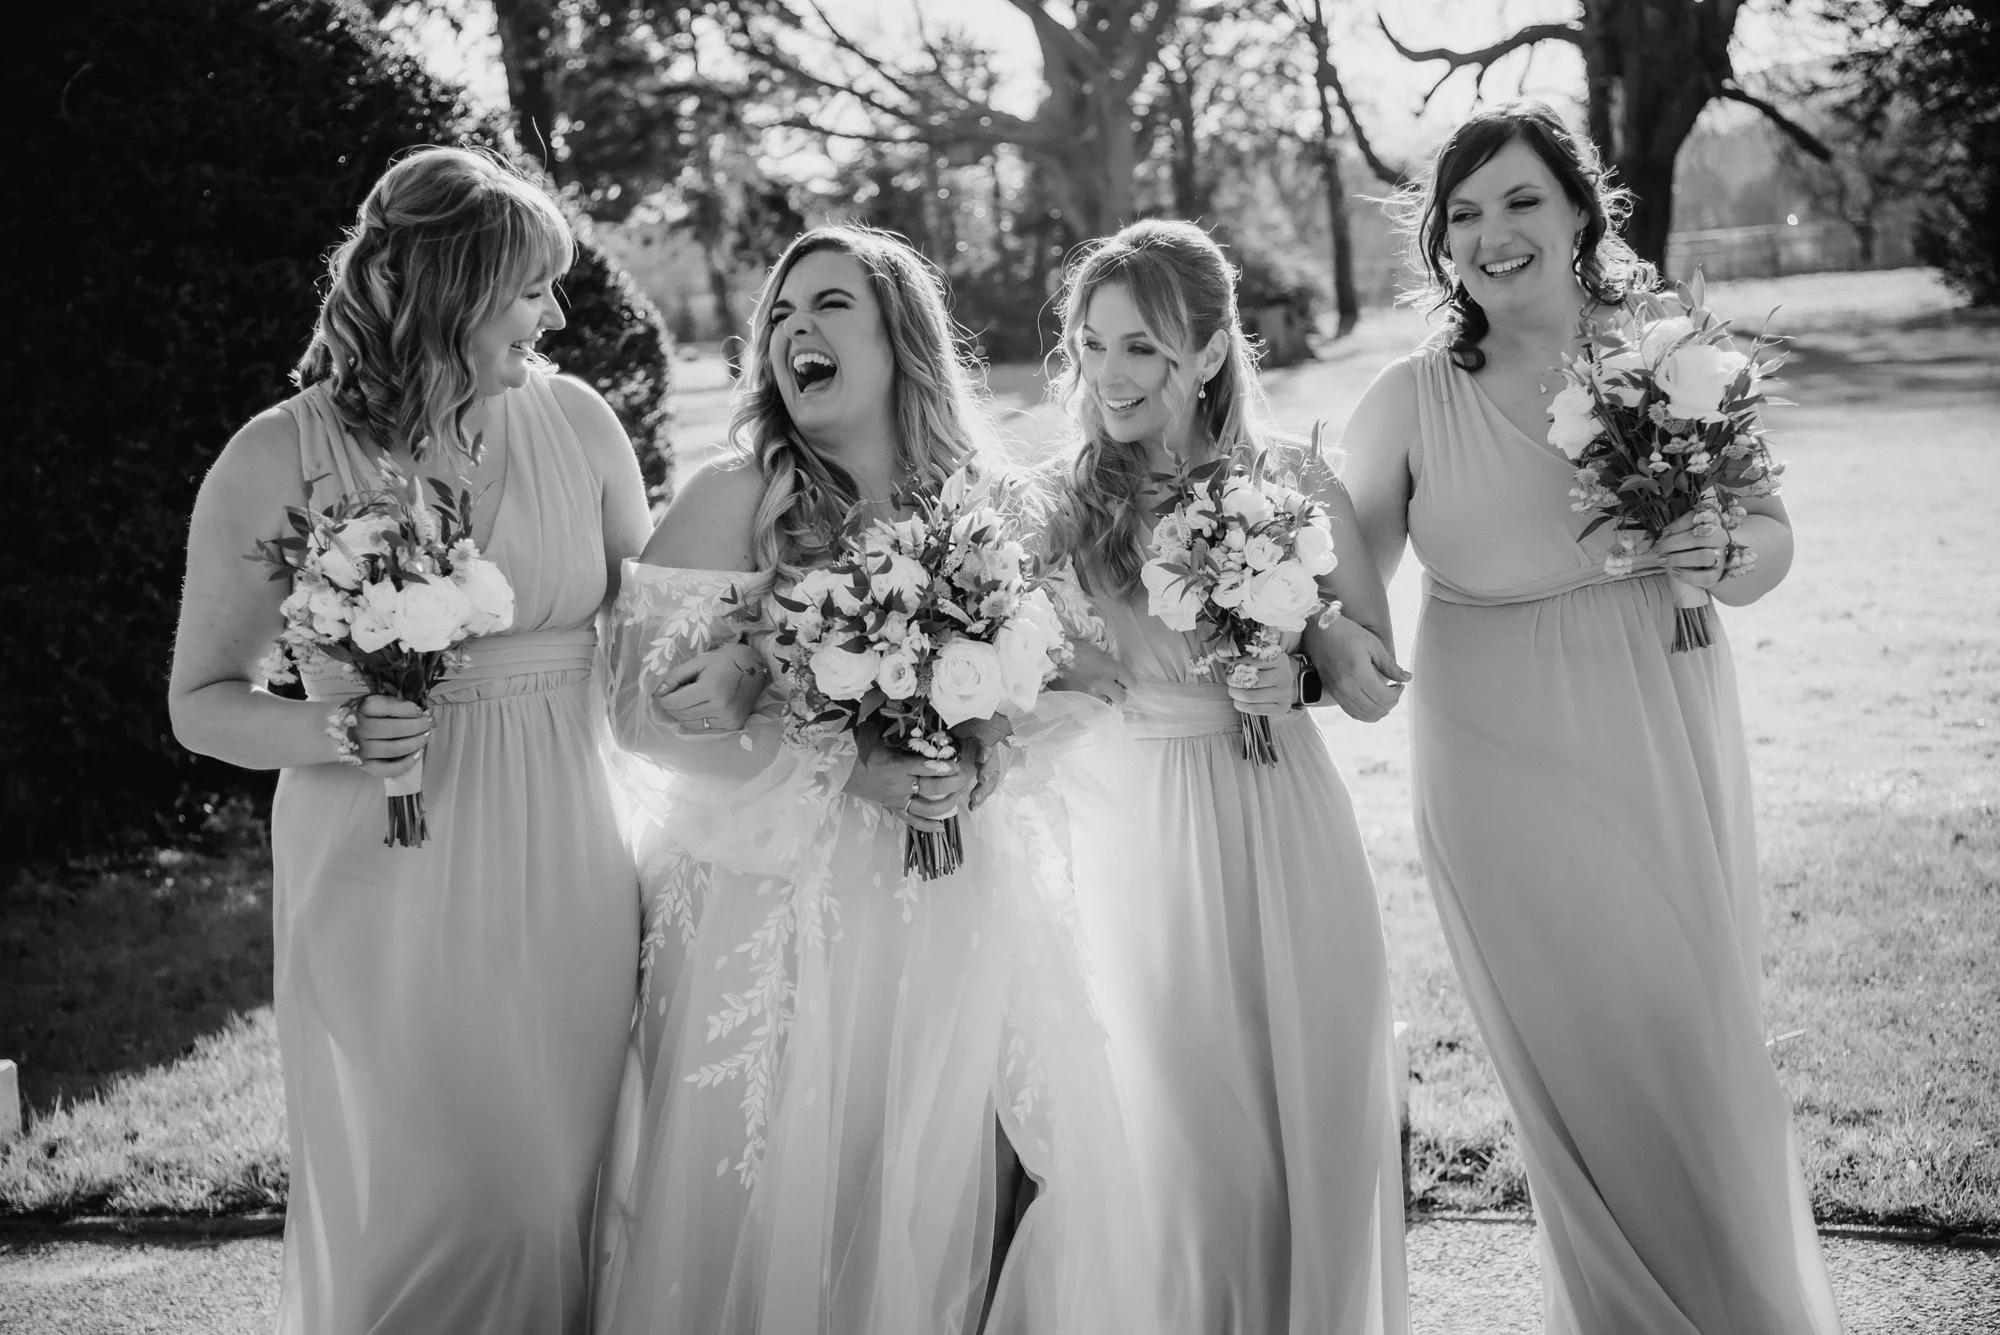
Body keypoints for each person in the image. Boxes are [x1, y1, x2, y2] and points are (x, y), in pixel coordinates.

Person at [167, 145, 724, 1333]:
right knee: (462, 1193)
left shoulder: (576, 420)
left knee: (558, 1184)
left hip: (569, 850)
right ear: (449, 290)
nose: (557, 315)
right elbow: (202, 700)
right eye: (532, 289)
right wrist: (336, 726)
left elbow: (649, 632)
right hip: (384, 867)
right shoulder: (279, 453)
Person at [591, 224, 1150, 1334]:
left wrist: (982, 754)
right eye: (780, 316)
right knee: (765, 1196)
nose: (794, 329)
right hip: (766, 907)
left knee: (932, 1175)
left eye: (828, 306)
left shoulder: (993, 501)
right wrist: (843, 763)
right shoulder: (734, 494)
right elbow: (634, 715)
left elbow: (1081, 677)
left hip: (950, 898)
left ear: (900, 338)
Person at [1339, 102, 1841, 1333]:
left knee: (1690, 1033)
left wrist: (1718, 547)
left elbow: (1767, 540)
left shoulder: (1674, 357)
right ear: (1439, 247)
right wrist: (1290, 632)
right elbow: (1343, 597)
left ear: (1577, 209)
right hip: (1492, 756)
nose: (1489, 234)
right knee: (1573, 1060)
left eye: (1516, 200)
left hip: (1656, 714)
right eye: (1460, 215)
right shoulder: (1407, 401)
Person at [1039, 218, 1409, 1335]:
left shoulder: (1290, 479)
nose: (1109, 375)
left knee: (1318, 1108)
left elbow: (1375, 678)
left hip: (1284, 818)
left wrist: (1312, 660)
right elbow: (1032, 684)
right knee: (1191, 1139)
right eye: (1091, 344)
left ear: (1206, 353)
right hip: (1137, 831)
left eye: (1142, 347)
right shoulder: (1059, 503)